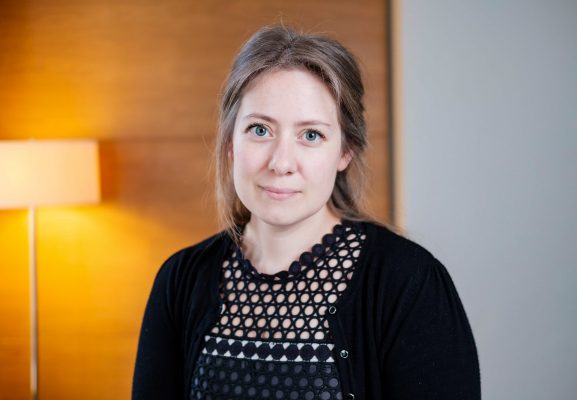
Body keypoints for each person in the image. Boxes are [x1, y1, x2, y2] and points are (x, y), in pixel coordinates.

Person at [132, 25, 480, 400]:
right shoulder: (180, 281)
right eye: (260, 129)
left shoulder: (409, 283)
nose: (281, 163)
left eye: (311, 135)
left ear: (345, 151)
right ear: (231, 142)